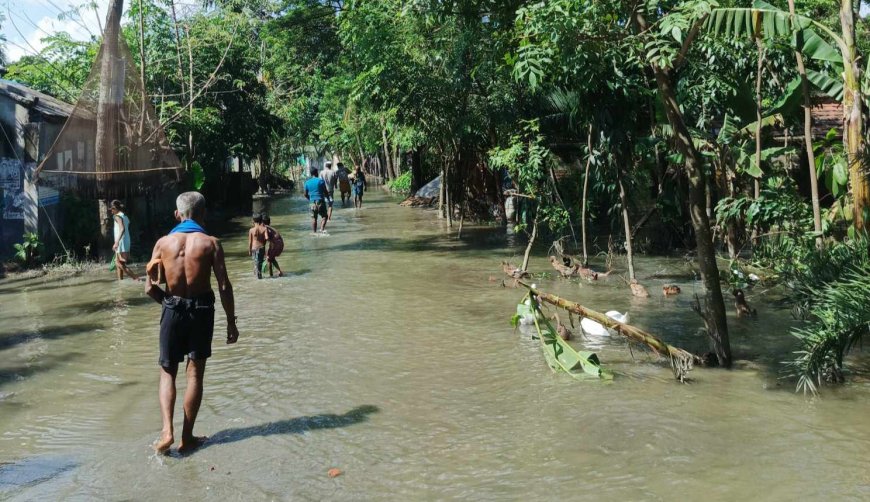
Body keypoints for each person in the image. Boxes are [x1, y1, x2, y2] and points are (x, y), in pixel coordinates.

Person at [144, 191, 239, 454]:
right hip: (202, 309)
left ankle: (166, 432)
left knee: (167, 371)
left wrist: (169, 302)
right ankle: (187, 438)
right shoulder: (211, 243)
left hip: (172, 308)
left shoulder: (163, 243)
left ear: (177, 214)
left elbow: (149, 289)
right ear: (203, 213)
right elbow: (223, 286)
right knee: (194, 373)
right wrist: (231, 322)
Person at [110, 200, 140, 281]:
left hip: (120, 242)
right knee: (119, 264)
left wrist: (116, 242)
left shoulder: (117, 216)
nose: (111, 211)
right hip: (126, 240)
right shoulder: (125, 216)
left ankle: (137, 279)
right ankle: (121, 282)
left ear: (115, 208)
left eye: (112, 209)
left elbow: (122, 229)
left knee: (119, 263)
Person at [304, 168, 329, 233]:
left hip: (312, 202)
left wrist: (310, 199)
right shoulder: (320, 181)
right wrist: (328, 198)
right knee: (325, 216)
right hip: (320, 201)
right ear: (317, 173)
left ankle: (314, 233)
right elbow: (325, 192)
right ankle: (322, 230)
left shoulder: (307, 182)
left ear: (311, 174)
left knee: (314, 218)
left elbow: (305, 194)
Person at [319, 161, 338, 228]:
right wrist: (335, 185)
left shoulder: (321, 172)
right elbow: (335, 179)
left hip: (322, 191)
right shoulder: (333, 172)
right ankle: (329, 218)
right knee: (330, 205)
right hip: (330, 190)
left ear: (325, 166)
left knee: (323, 204)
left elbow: (320, 182)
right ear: (330, 166)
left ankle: (323, 218)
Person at [248, 213, 267, 279]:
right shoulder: (264, 229)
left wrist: (249, 251)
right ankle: (259, 276)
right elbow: (267, 238)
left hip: (254, 248)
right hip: (261, 247)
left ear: (253, 221)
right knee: (260, 262)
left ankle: (257, 276)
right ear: (261, 220)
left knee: (255, 262)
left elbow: (250, 242)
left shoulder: (251, 230)